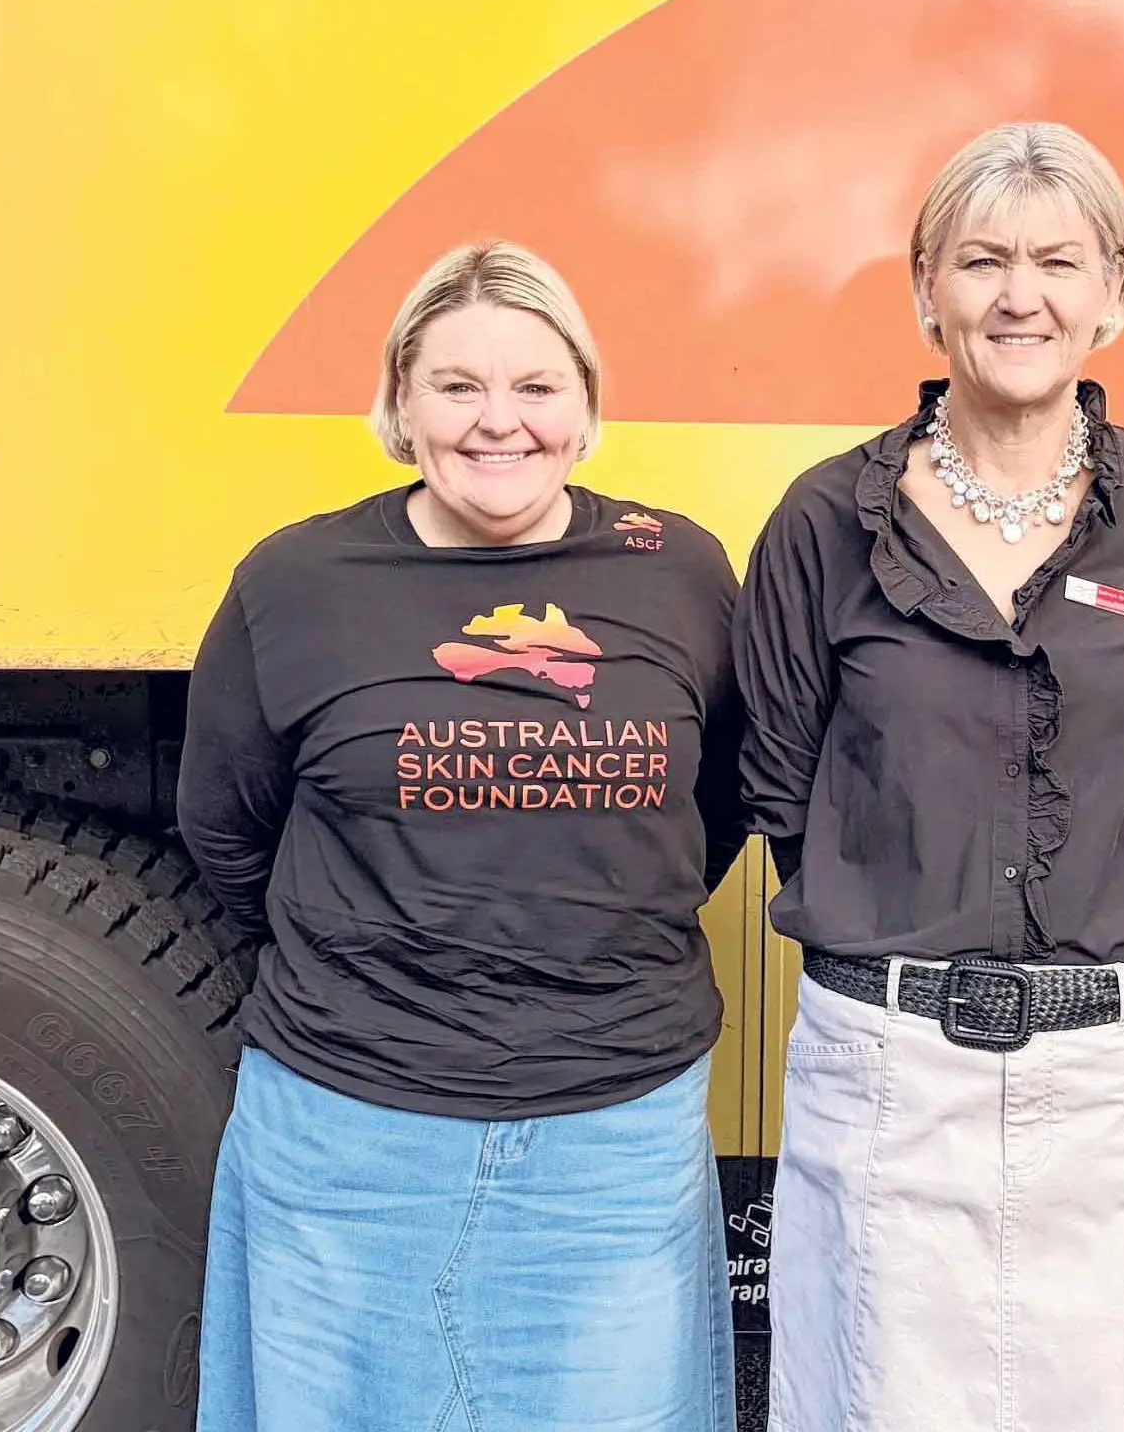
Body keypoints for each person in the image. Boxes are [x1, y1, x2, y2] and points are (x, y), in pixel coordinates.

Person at [178, 240, 746, 1432]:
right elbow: (229, 831)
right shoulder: (294, 582)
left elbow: (718, 810)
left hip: (611, 1141)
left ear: (586, 408)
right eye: (456, 386)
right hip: (349, 1133)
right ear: (396, 404)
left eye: (536, 388)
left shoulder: (679, 573)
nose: (500, 424)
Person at [735, 122, 1124, 1432]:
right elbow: (786, 790)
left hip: (1118, 1086)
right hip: (890, 1077)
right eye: (979, 262)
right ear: (925, 291)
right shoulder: (820, 520)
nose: (1018, 296)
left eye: (1056, 263)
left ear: (1112, 296)